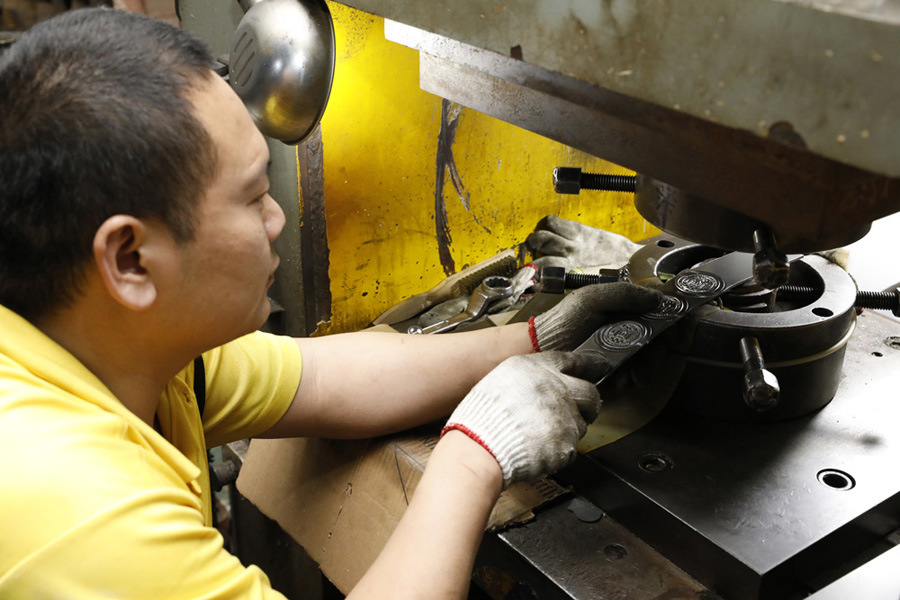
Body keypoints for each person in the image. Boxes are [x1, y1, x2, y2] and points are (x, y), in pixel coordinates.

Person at [0, 8, 662, 599]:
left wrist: (536, 337)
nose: (276, 220)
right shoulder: (75, 513)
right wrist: (475, 457)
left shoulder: (125, 347)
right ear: (130, 260)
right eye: (253, 196)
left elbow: (323, 377)